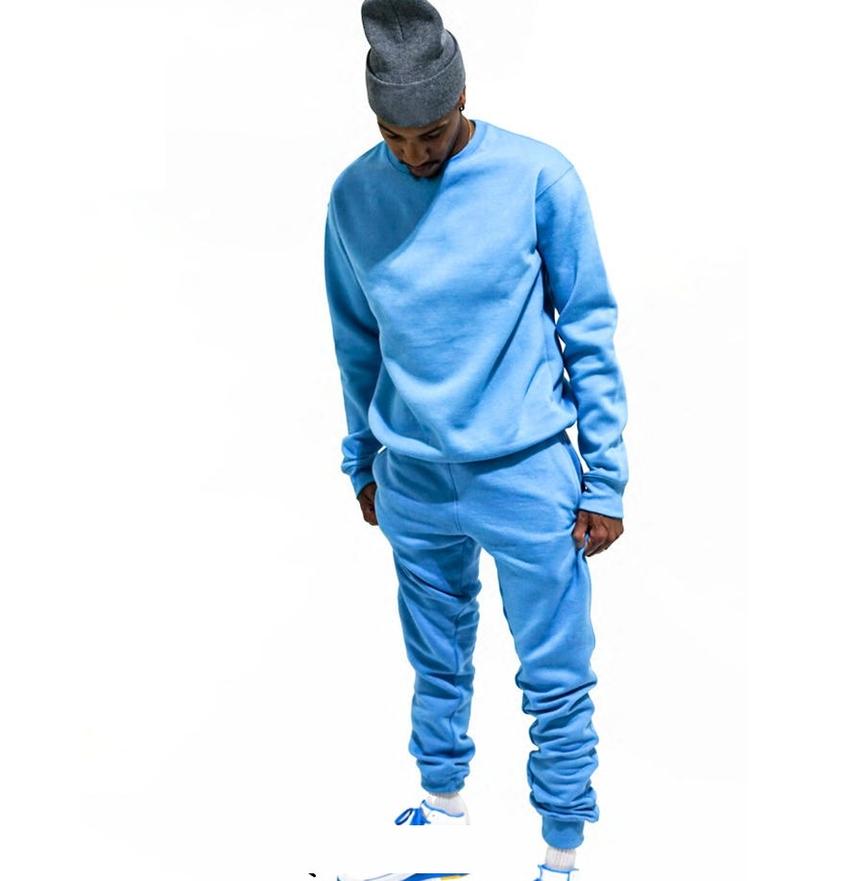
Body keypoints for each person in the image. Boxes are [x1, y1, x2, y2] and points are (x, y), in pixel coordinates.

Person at [322, 2, 629, 878]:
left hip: (526, 470)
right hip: (412, 477)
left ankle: (562, 852)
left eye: (431, 134)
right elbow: (355, 338)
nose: (414, 155)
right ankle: (442, 824)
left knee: (555, 670)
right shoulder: (352, 195)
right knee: (435, 659)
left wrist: (605, 479)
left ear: (463, 98)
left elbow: (589, 329)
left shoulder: (538, 177)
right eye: (394, 137)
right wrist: (362, 456)